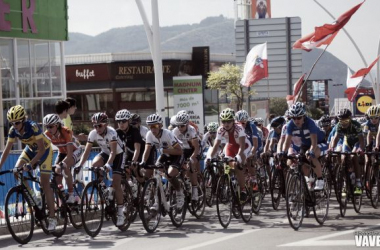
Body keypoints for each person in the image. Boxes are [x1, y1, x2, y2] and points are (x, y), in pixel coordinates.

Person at [0, 105, 57, 231]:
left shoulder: (33, 127)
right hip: (30, 149)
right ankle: (34, 197)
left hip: (45, 151)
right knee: (16, 171)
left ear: (23, 120)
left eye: (17, 122)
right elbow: (6, 151)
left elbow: (41, 149)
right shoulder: (12, 131)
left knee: (44, 183)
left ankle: (52, 218)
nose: (15, 125)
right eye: (12, 123)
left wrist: (31, 164)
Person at [76, 112, 127, 226]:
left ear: (105, 125)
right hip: (105, 152)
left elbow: (113, 152)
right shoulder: (93, 134)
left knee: (116, 180)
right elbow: (87, 151)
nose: (97, 128)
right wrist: (80, 165)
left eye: (99, 125)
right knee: (95, 165)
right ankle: (105, 188)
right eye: (95, 126)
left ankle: (120, 213)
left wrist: (108, 165)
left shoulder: (112, 132)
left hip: (118, 154)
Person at [140, 114, 185, 208]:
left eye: (155, 126)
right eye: (150, 126)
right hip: (165, 155)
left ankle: (179, 192)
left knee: (170, 173)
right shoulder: (149, 134)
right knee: (155, 170)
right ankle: (158, 198)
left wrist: (164, 150)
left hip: (177, 155)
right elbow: (147, 150)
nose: (153, 129)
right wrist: (143, 162)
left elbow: (179, 151)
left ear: (160, 126)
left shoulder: (167, 134)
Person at [280, 102, 327, 191]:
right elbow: (287, 142)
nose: (296, 120)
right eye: (294, 118)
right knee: (302, 162)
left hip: (319, 143)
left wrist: (311, 151)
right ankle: (308, 184)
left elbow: (314, 142)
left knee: (312, 156)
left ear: (304, 116)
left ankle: (320, 180)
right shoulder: (290, 124)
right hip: (305, 145)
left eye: (298, 118)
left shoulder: (310, 123)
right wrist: (283, 153)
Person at [207, 108, 248, 201]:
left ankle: (243, 189)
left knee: (237, 165)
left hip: (242, 148)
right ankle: (231, 183)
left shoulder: (239, 128)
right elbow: (216, 145)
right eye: (224, 121)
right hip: (230, 147)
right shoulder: (220, 129)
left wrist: (238, 156)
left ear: (233, 121)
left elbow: (242, 146)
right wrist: (210, 157)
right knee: (226, 164)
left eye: (229, 121)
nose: (226, 124)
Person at [43, 114, 84, 204]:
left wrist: (61, 164)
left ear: (57, 125)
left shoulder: (65, 132)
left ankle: (71, 194)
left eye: (50, 126)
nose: (48, 129)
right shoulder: (47, 134)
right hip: (62, 152)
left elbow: (69, 154)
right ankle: (63, 198)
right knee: (56, 176)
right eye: (46, 127)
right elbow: (43, 149)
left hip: (75, 150)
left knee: (64, 166)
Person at [331, 108, 364, 195]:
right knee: (343, 157)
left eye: (346, 121)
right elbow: (335, 138)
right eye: (341, 121)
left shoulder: (356, 125)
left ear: (350, 119)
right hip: (347, 142)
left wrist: (360, 149)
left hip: (356, 142)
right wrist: (331, 148)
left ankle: (358, 182)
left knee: (354, 157)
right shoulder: (338, 125)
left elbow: (361, 140)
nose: (343, 123)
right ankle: (345, 181)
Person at [173, 111, 201, 200]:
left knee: (191, 165)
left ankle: (195, 190)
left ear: (187, 124)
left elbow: (196, 148)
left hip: (194, 149)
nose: (180, 128)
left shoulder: (192, 130)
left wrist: (192, 158)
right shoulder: (175, 131)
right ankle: (185, 181)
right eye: (178, 125)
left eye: (182, 125)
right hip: (184, 150)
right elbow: (173, 147)